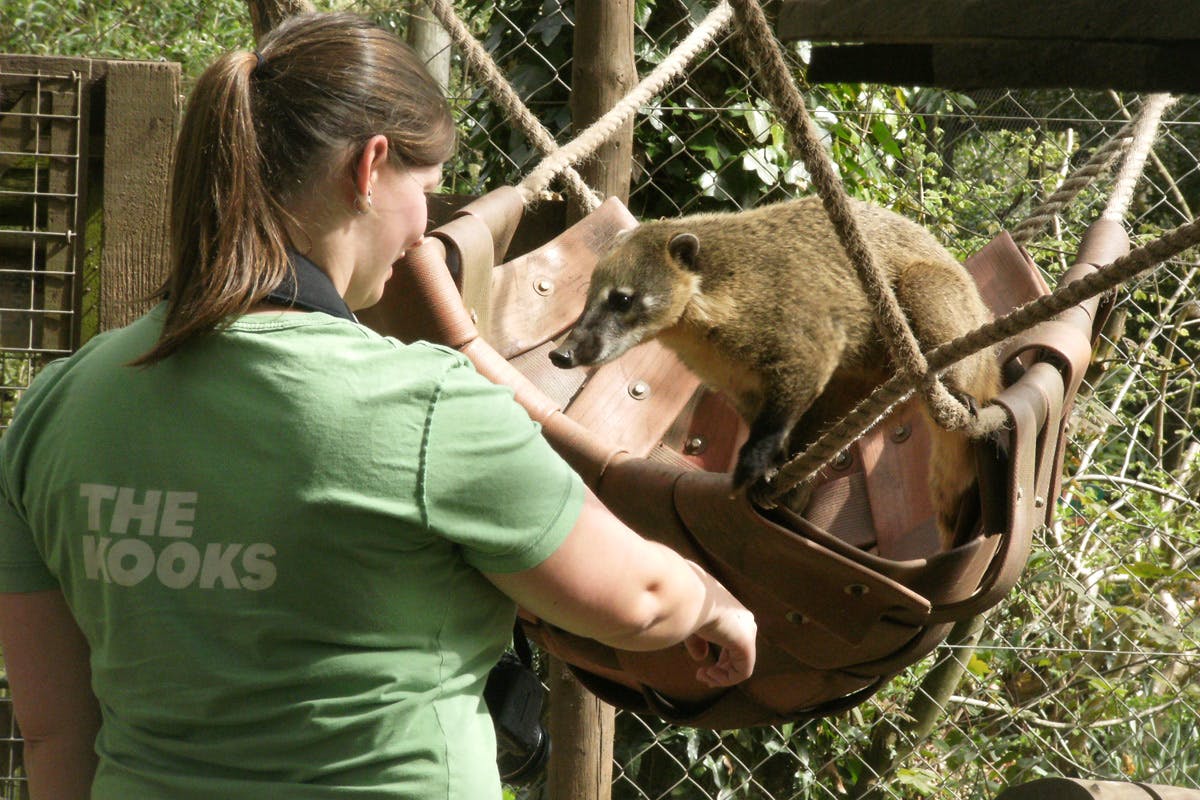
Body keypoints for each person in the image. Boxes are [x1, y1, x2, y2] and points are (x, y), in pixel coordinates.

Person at [0, 12, 756, 800]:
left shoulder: (58, 407)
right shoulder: (427, 407)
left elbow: (55, 733)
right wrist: (712, 603)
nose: (424, 229)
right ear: (369, 167)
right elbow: (638, 601)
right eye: (425, 192)